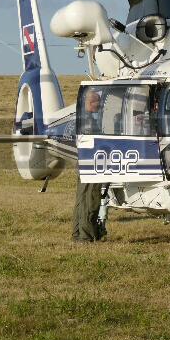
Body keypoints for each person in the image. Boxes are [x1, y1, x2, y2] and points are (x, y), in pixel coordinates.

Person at [72, 89, 104, 243]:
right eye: (98, 102)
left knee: (81, 199)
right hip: (91, 164)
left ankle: (77, 235)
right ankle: (86, 237)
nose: (100, 105)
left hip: (84, 164)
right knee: (90, 199)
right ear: (91, 103)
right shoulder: (88, 120)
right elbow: (93, 143)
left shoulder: (82, 117)